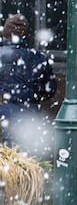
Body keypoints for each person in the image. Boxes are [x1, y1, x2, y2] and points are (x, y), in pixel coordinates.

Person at [0, 14, 57, 142]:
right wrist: (31, 96)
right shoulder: (39, 58)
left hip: (2, 121)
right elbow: (50, 90)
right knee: (25, 158)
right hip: (27, 122)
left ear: (4, 34)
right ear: (25, 35)